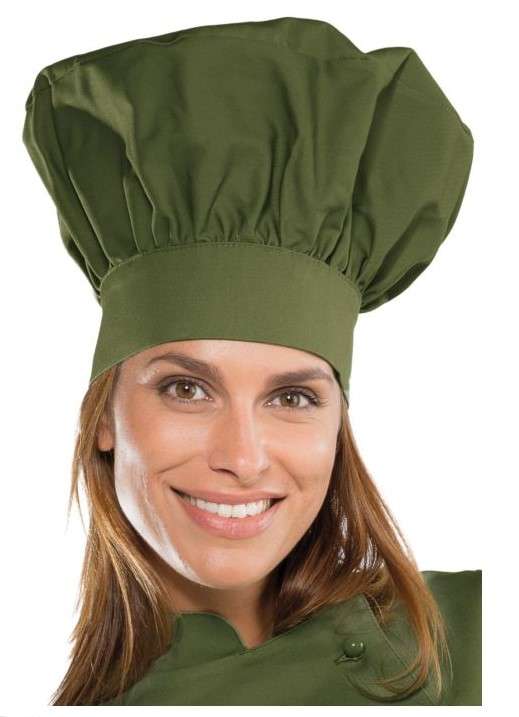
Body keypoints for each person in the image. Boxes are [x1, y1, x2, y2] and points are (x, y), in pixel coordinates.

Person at [21, 16, 481, 706]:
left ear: (336, 424)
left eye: (292, 398)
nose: (242, 457)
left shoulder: (481, 638)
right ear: (106, 416)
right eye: (186, 388)